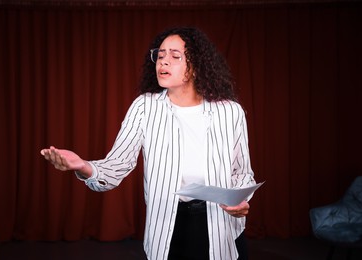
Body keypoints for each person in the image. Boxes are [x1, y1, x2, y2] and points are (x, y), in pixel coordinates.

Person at [41, 27, 256, 260]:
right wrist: (83, 166)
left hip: (220, 227)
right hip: (167, 227)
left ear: (196, 66)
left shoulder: (230, 112)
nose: (163, 62)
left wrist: (240, 202)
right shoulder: (144, 108)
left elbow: (242, 173)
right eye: (160, 55)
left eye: (175, 56)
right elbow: (117, 165)